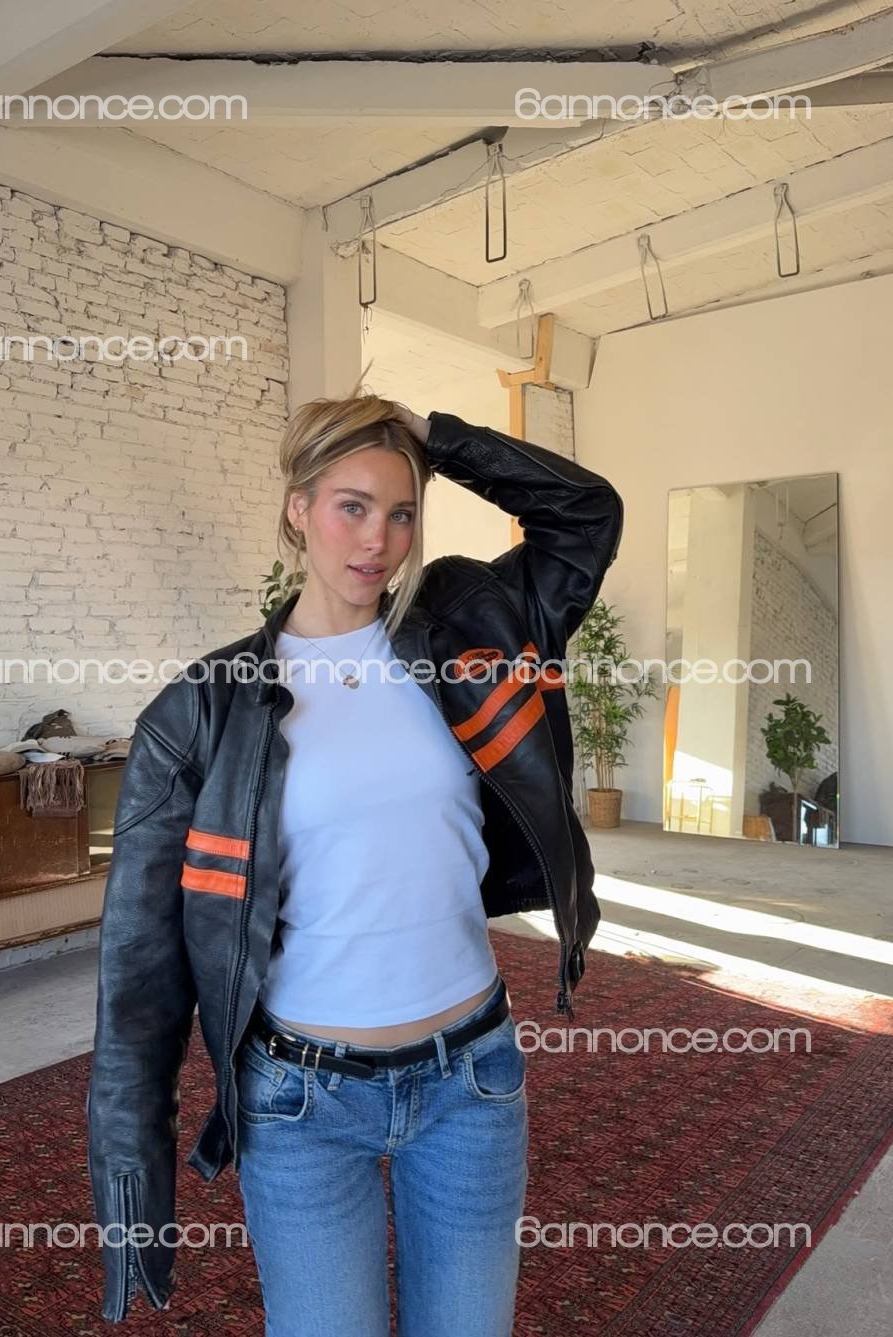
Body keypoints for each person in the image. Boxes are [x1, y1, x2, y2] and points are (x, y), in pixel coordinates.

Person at [86, 395, 624, 1335]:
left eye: (401, 511)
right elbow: (140, 970)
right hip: (301, 1101)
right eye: (352, 506)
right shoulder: (205, 709)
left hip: (471, 1080)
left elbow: (586, 512)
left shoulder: (475, 630)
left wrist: (437, 438)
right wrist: (131, 1175)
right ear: (298, 508)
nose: (379, 540)